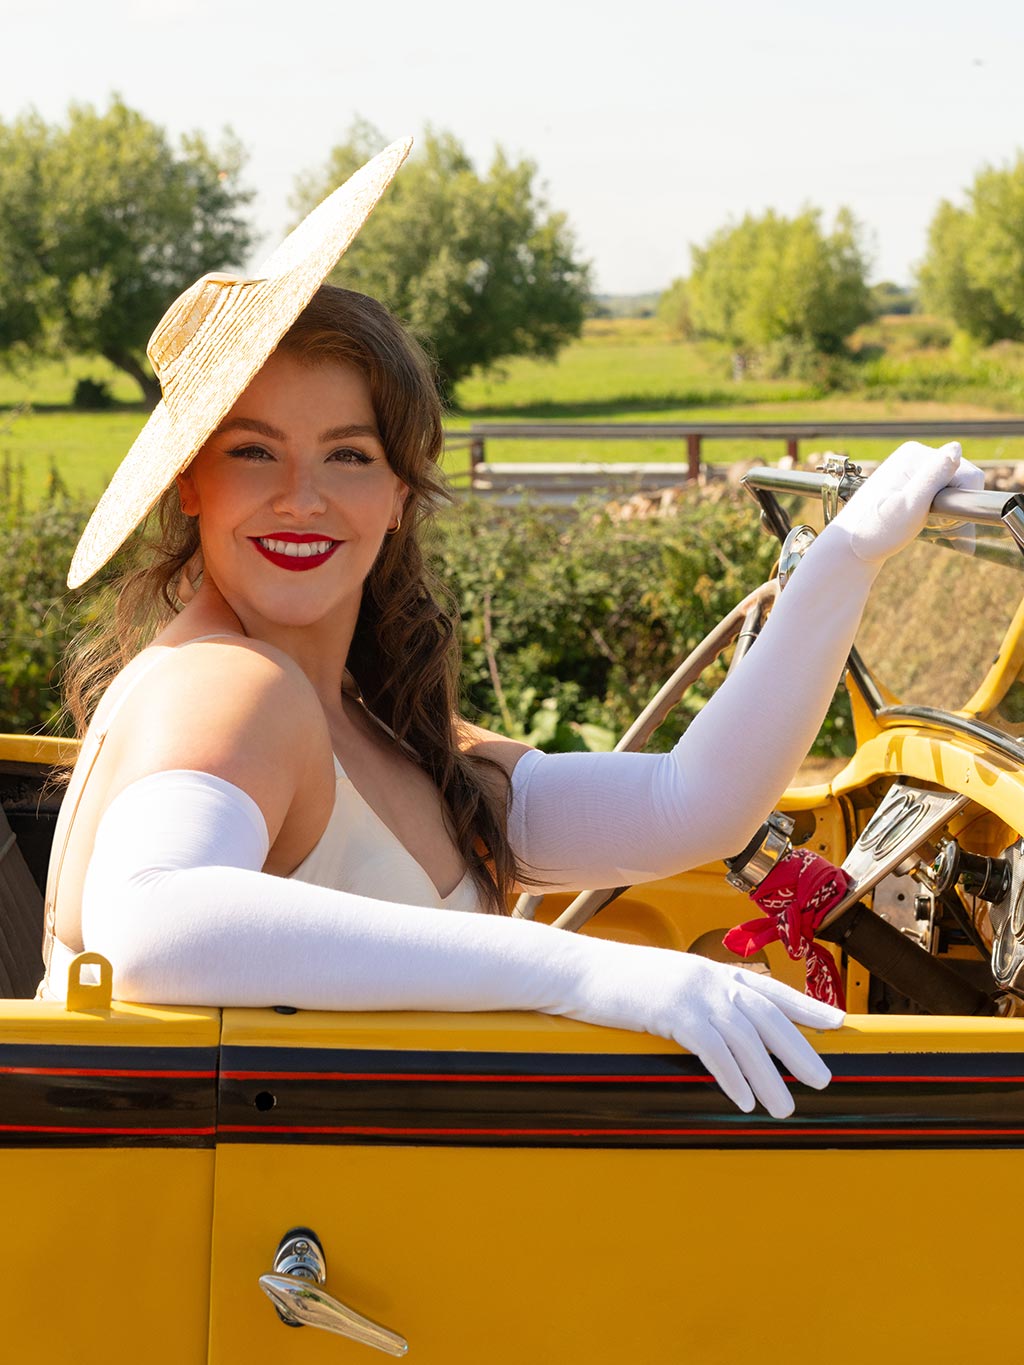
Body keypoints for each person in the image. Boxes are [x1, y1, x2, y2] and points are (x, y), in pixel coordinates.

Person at [37, 139, 980, 1122]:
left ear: (398, 494)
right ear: (191, 485)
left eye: (348, 455)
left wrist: (845, 559)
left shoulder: (367, 718)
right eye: (253, 452)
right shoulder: (228, 685)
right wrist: (583, 973)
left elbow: (689, 806)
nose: (302, 498)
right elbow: (153, 920)